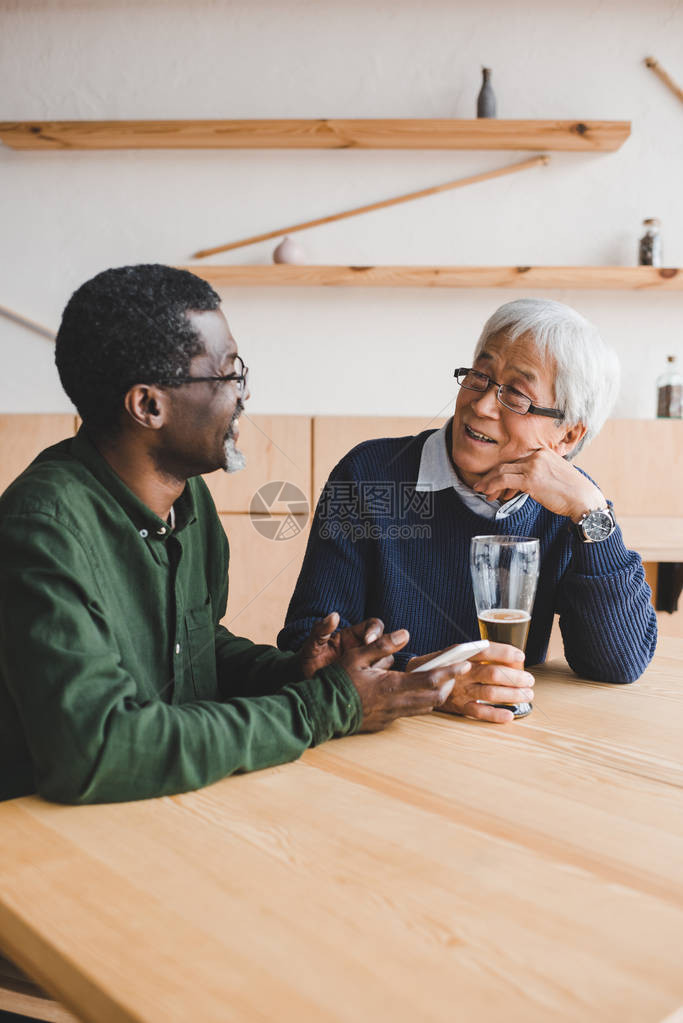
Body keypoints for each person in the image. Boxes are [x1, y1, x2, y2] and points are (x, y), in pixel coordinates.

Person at [0, 264, 531, 804]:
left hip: (165, 812)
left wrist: (300, 672)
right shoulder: (42, 533)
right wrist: (323, 705)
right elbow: (96, 752)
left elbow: (196, 651)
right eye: (229, 375)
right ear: (148, 406)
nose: (243, 396)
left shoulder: (186, 500)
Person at [279, 298, 657, 709]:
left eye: (516, 395)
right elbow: (307, 649)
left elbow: (619, 663)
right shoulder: (368, 475)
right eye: (480, 376)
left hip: (505, 746)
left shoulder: (569, 507)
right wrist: (426, 682)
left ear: (566, 437)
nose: (480, 405)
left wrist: (592, 513)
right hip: (375, 738)